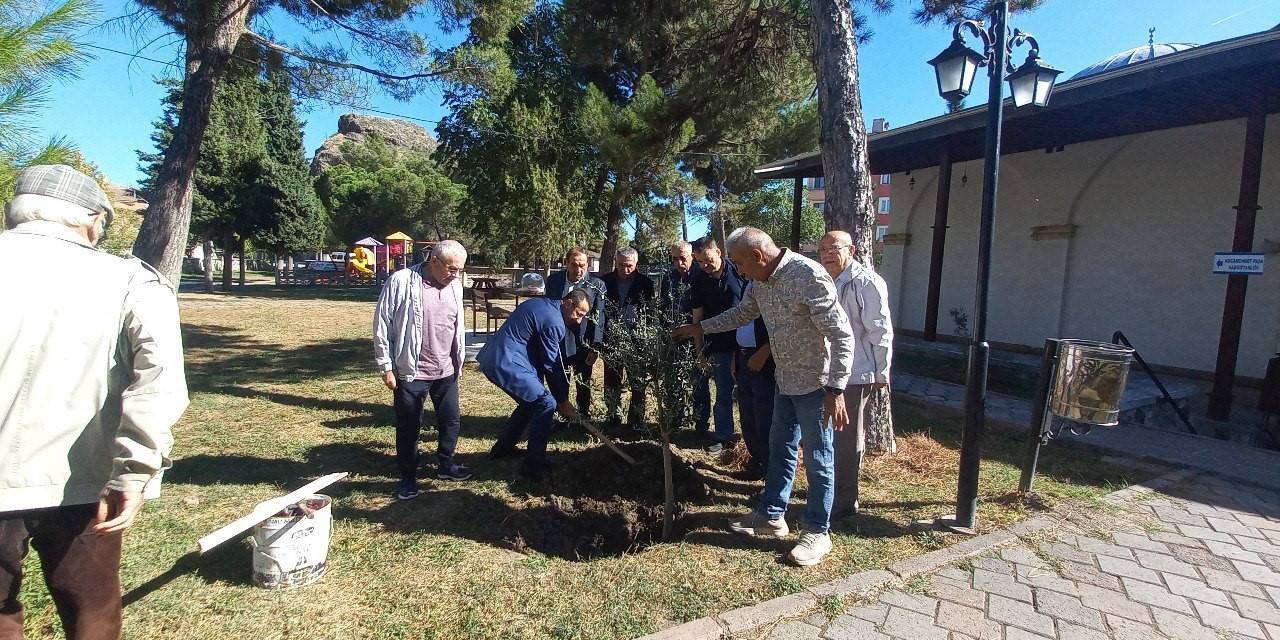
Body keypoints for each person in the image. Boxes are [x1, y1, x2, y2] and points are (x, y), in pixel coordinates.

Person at [0, 165, 189, 637]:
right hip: (82, 482)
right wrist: (134, 473)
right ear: (89, 218)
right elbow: (159, 383)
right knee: (93, 609)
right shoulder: (128, 280)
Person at [675, 227, 854, 567]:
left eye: (741, 264)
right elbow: (742, 314)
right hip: (785, 381)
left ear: (758, 256)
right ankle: (772, 515)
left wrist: (836, 389)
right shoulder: (761, 280)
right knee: (780, 448)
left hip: (817, 385)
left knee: (818, 457)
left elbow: (842, 336)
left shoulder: (808, 276)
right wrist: (700, 328)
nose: (739, 272)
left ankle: (818, 530)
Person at [373, 240, 470, 501]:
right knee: (409, 426)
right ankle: (407, 477)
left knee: (450, 421)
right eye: (451, 269)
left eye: (459, 270)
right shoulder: (401, 281)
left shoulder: (456, 287)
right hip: (411, 370)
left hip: (446, 370)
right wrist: (386, 366)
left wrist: (458, 360)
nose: (455, 275)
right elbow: (382, 324)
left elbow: (455, 326)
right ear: (434, 261)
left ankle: (446, 465)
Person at [819, 231, 893, 519]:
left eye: (833, 248)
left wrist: (882, 373)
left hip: (856, 374)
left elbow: (881, 331)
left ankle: (845, 502)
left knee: (847, 440)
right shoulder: (825, 280)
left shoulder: (866, 282)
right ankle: (828, 490)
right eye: (822, 248)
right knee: (827, 438)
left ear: (851, 249)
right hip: (827, 373)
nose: (826, 253)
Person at [479, 290, 591, 481]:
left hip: (496, 357)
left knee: (530, 403)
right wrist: (562, 401)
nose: (579, 321)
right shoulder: (554, 321)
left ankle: (502, 449)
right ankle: (533, 465)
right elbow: (551, 364)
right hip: (507, 362)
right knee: (545, 403)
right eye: (578, 314)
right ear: (568, 302)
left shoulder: (542, 305)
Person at [689, 237, 748, 453]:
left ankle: (752, 439)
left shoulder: (739, 271)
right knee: (723, 394)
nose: (704, 265)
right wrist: (700, 353)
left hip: (747, 346)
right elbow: (697, 319)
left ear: (719, 252)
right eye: (699, 262)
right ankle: (723, 437)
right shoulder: (698, 281)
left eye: (707, 260)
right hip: (719, 347)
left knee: (748, 394)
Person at [543, 248, 606, 420]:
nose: (578, 270)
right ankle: (560, 413)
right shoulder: (554, 281)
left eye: (583, 265)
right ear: (566, 263)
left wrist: (595, 346)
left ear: (588, 265)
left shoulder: (597, 285)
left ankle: (583, 415)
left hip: (583, 342)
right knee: (558, 379)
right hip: (558, 340)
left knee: (583, 381)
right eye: (574, 265)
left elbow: (599, 318)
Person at [600, 247, 656, 429]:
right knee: (611, 381)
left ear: (636, 264)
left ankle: (636, 420)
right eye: (621, 265)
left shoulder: (645, 283)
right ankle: (612, 416)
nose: (625, 269)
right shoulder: (604, 282)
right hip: (611, 341)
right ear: (616, 262)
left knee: (638, 382)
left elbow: (650, 314)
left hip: (637, 343)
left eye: (629, 266)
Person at [734, 280, 776, 481]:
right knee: (747, 413)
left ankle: (770, 469)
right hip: (743, 358)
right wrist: (735, 357)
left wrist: (765, 352)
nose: (738, 267)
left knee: (764, 415)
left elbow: (782, 326)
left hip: (764, 361)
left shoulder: (772, 286)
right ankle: (756, 460)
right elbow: (741, 321)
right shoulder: (746, 285)